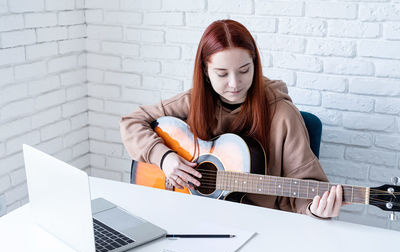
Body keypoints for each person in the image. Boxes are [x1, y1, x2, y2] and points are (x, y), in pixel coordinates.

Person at [120, 19, 343, 219]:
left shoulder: (283, 115)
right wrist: (165, 158)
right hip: (191, 215)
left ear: (255, 65)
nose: (235, 84)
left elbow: (307, 185)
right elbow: (131, 123)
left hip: (262, 227)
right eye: (222, 74)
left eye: (244, 70)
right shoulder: (193, 101)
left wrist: (315, 209)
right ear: (205, 72)